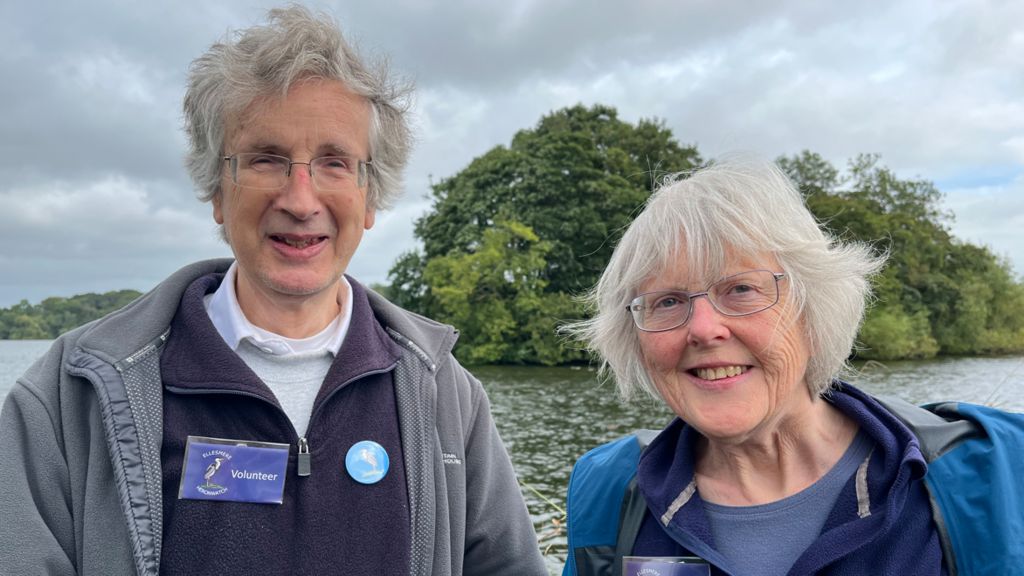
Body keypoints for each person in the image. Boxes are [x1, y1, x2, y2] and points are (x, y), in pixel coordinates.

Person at [0, 6, 546, 576]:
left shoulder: (448, 398)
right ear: (216, 189)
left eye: (335, 162)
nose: (301, 199)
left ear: (371, 199)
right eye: (267, 159)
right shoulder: (68, 396)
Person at [560, 158, 1024, 575]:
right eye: (666, 301)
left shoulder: (993, 468)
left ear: (811, 309)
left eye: (741, 289)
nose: (703, 329)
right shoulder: (610, 489)